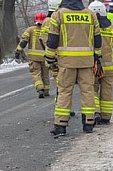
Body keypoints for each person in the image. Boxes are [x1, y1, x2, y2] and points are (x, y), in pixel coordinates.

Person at [44, 0, 101, 137]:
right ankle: (88, 123)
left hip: (66, 62)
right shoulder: (90, 14)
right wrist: (97, 56)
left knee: (64, 92)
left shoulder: (58, 15)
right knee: (88, 91)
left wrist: (50, 58)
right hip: (86, 61)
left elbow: (52, 40)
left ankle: (61, 125)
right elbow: (97, 39)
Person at [88, 1, 113, 125]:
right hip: (109, 65)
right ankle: (106, 116)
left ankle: (96, 112)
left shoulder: (90, 27)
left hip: (94, 64)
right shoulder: (112, 27)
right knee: (107, 91)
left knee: (92, 88)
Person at [16, 12, 50, 98]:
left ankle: (40, 89)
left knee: (36, 73)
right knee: (45, 74)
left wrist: (18, 51)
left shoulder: (30, 30)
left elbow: (23, 42)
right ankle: (46, 90)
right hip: (46, 57)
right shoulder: (48, 30)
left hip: (34, 58)